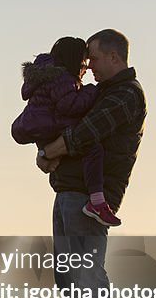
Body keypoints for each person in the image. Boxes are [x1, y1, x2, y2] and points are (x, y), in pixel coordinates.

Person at [36, 28, 146, 298]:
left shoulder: (126, 95)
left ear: (115, 57)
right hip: (69, 192)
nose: (89, 66)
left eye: (94, 59)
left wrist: (51, 150)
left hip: (88, 199)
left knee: (87, 277)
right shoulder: (103, 93)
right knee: (70, 279)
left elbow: (86, 131)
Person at [11, 36, 121, 227]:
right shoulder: (63, 79)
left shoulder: (47, 76)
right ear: (73, 61)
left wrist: (46, 152)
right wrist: (92, 91)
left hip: (40, 129)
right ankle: (97, 201)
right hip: (51, 129)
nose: (86, 69)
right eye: (84, 63)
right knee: (92, 148)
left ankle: (95, 200)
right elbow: (70, 106)